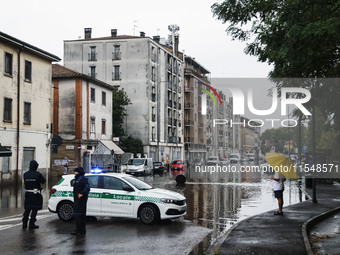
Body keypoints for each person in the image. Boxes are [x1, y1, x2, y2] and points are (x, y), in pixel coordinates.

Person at [23, 160, 46, 229]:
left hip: (27, 193)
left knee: (27, 209)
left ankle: (24, 224)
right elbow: (43, 181)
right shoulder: (38, 174)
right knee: (34, 209)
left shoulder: (25, 174)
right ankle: (31, 224)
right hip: (35, 194)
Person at [71, 167, 90, 235]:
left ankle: (79, 230)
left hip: (81, 199)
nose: (74, 173)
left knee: (78, 214)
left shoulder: (82, 179)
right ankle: (81, 230)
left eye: (75, 171)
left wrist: (82, 193)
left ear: (78, 172)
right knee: (80, 214)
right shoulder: (77, 179)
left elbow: (87, 187)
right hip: (77, 199)